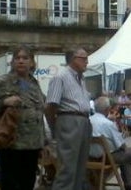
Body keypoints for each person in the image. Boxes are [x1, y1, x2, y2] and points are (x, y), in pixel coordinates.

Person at [0, 46, 46, 190]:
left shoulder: (34, 83)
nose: (21, 61)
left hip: (32, 144)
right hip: (12, 142)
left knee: (27, 184)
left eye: (25, 58)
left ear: (32, 63)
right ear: (12, 62)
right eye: (17, 58)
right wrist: (3, 102)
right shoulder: (2, 81)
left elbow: (39, 111)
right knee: (11, 185)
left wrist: (43, 141)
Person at [45, 47, 92, 190]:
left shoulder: (81, 78)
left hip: (83, 121)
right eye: (84, 58)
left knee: (80, 168)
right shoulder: (60, 76)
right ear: (73, 59)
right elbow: (50, 106)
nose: (87, 62)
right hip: (69, 120)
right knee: (68, 169)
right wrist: (55, 127)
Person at [90, 97, 131, 190]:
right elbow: (121, 145)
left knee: (123, 152)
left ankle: (128, 183)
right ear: (108, 109)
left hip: (92, 156)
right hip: (108, 157)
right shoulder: (107, 123)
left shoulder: (88, 120)